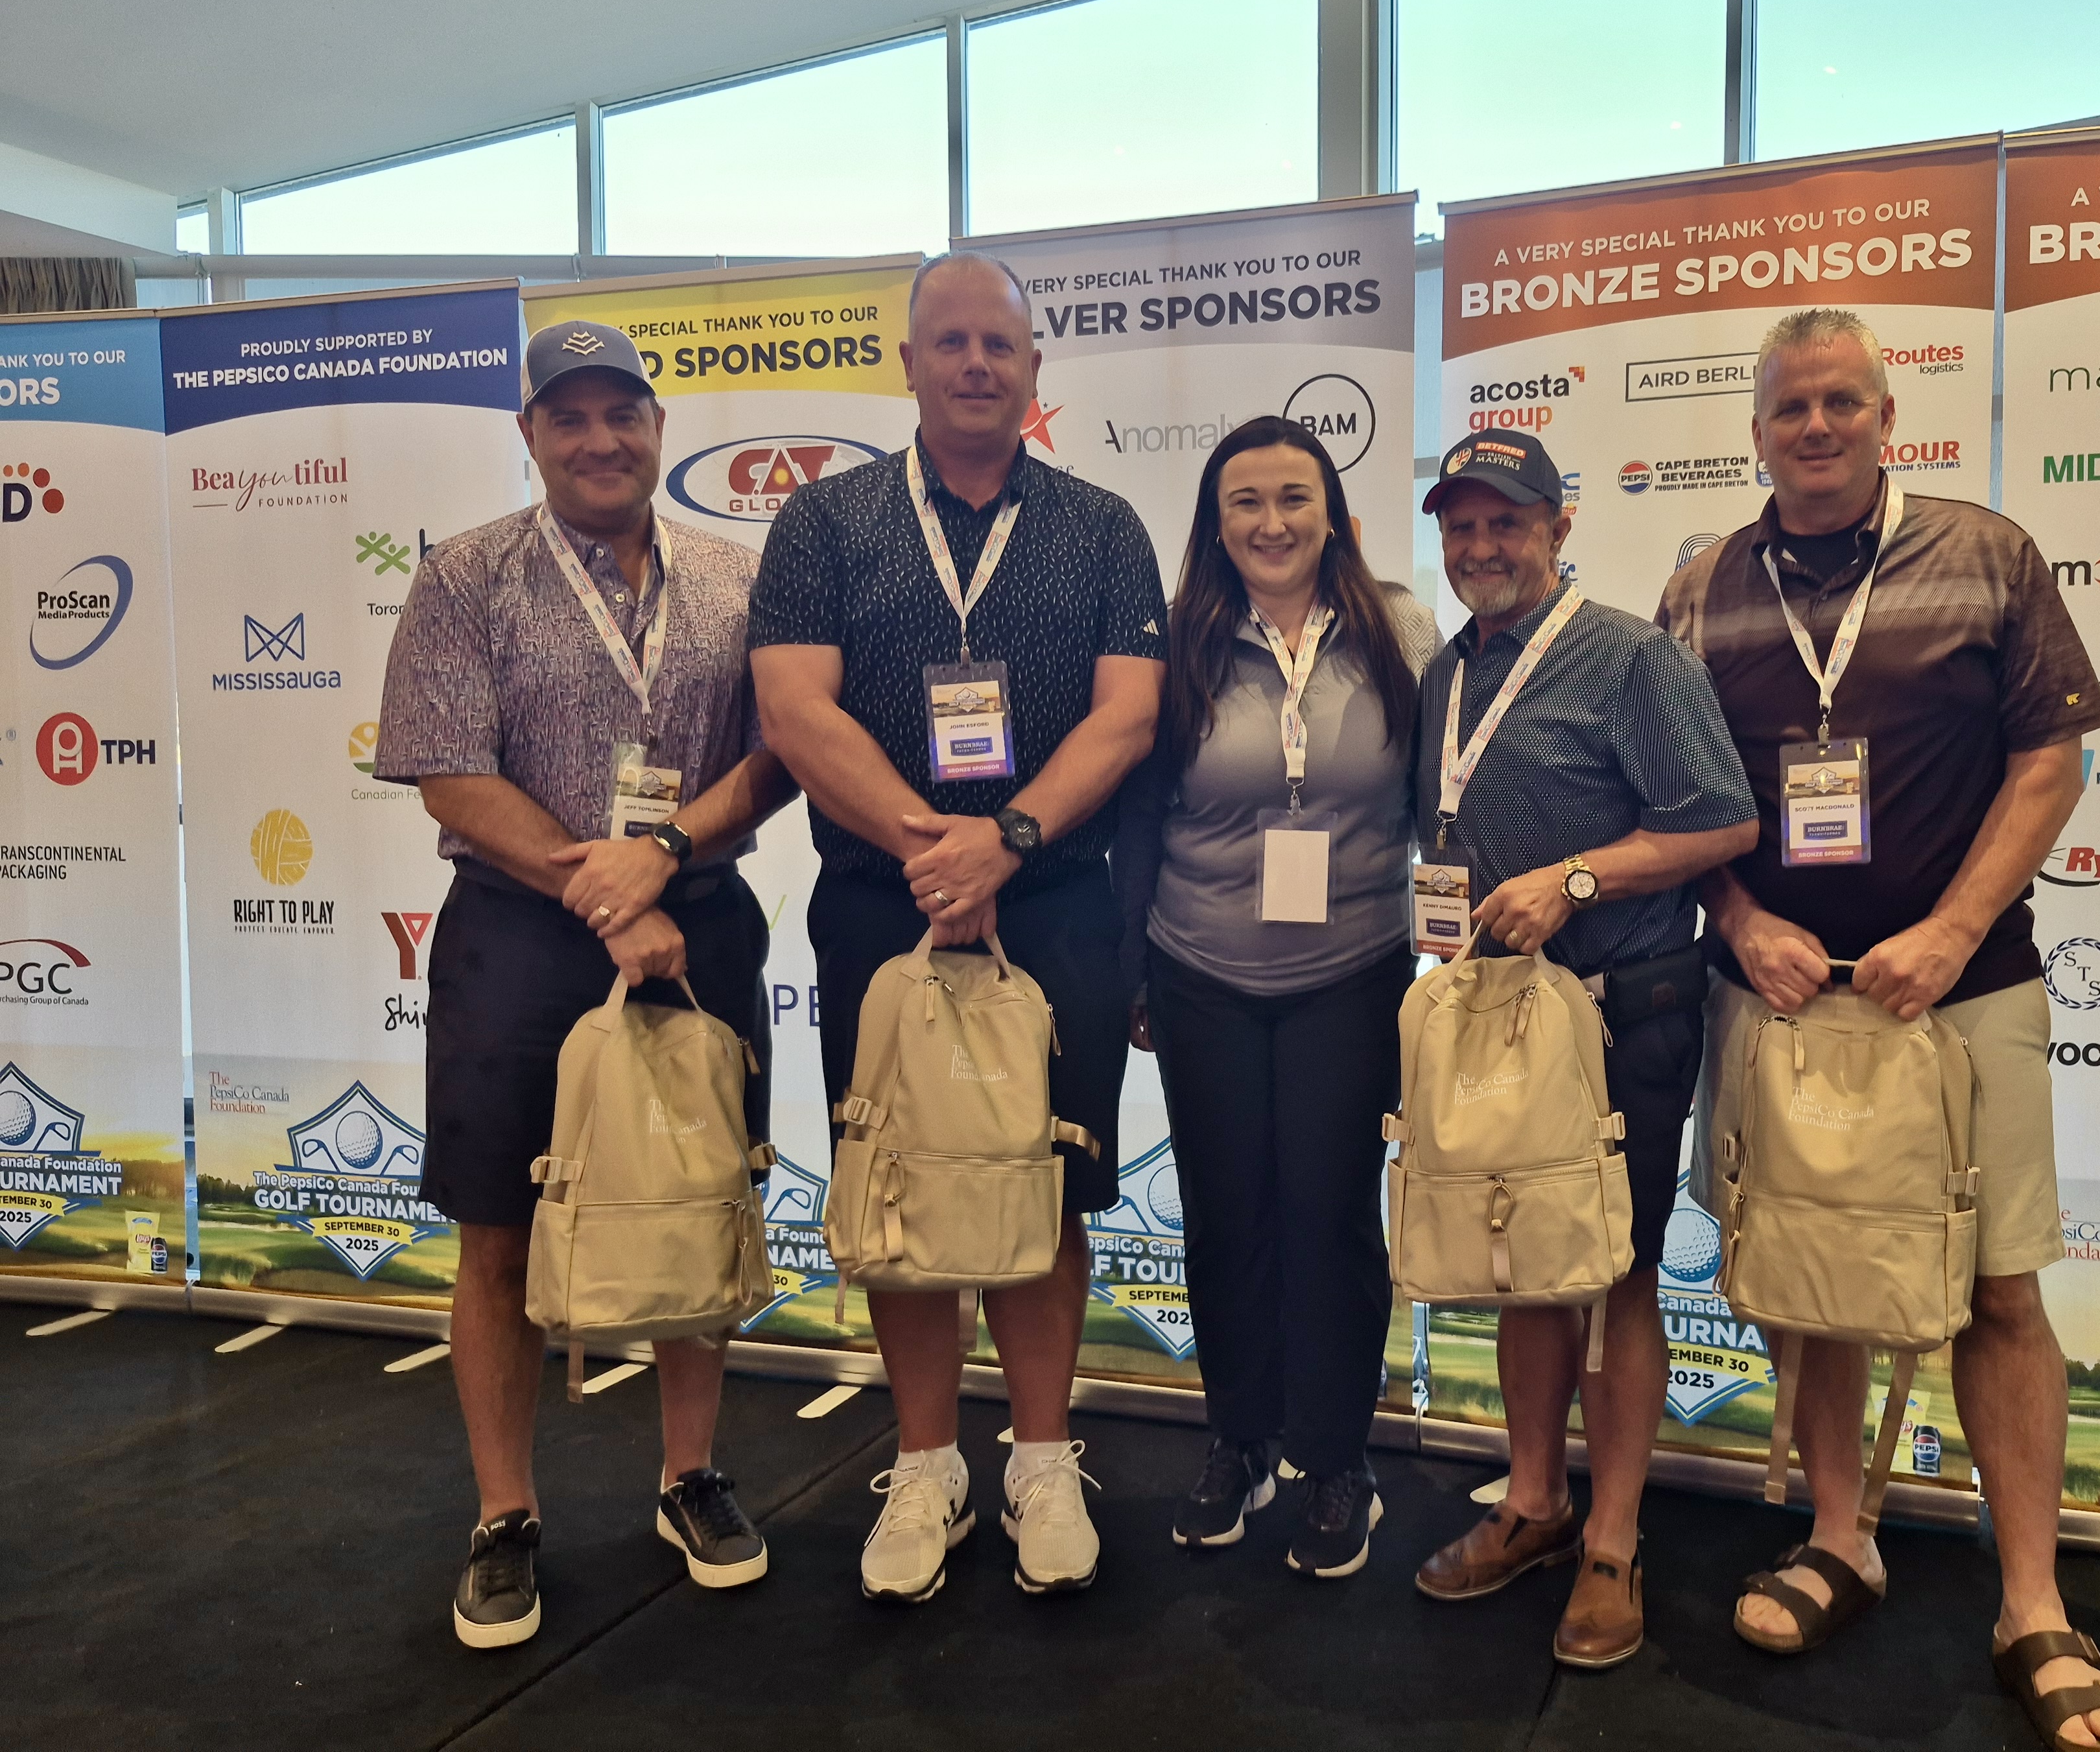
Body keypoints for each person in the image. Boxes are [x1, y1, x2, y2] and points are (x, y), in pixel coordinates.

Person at [1657, 307, 2100, 1752]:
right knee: (1812, 1281)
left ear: (1887, 417)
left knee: (1999, 1291)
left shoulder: (1986, 555)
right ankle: (1837, 1541)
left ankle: (2030, 1605)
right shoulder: (1697, 590)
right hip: (1776, 995)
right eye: (1788, 408)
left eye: (1839, 402)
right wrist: (1740, 919)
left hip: (1965, 993)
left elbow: (2048, 766)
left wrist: (1948, 933)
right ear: (1755, 433)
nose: (1814, 427)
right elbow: (1674, 800)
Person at [748, 252, 1165, 1602]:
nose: (978, 363)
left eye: (1001, 344)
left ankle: (1041, 1459)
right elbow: (794, 709)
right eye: (952, 342)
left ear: (1035, 367)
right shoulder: (825, 523)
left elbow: (1127, 716)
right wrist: (934, 848)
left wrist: (1009, 839)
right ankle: (926, 1463)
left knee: (1042, 1182)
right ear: (910, 364)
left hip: (1056, 902)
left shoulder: (1103, 526)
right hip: (885, 902)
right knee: (905, 1180)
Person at [376, 318, 796, 1650]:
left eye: (623, 414)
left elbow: (781, 753)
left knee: (698, 1200)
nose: (600, 440)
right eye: (570, 417)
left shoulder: (737, 575)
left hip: (700, 922)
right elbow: (449, 772)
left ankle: (690, 1477)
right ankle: (504, 1516)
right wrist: (606, 894)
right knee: (499, 1229)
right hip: (518, 936)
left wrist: (658, 862)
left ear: (659, 428)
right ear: (531, 434)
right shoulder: (464, 575)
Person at [1408, 429, 1757, 1668]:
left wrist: (1577, 878)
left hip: (1621, 1015)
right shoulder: (1446, 673)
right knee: (1522, 1258)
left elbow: (1722, 821)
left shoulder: (1631, 657)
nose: (1481, 546)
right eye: (1461, 525)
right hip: (1498, 1019)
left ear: (1558, 527)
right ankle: (1534, 1501)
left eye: (1506, 521)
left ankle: (1612, 1539)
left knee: (1613, 1270)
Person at [1111, 415, 1437, 1576]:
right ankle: (1240, 1440)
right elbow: (1140, 816)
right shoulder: (1177, 640)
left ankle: (1337, 1458)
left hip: (1352, 972)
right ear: (1215, 522)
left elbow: (1439, 794)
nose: (1271, 522)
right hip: (1200, 972)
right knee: (1226, 1213)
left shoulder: (1399, 626)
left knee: (1332, 1215)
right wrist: (1135, 972)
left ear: (1332, 514)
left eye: (1295, 498)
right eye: (1244, 501)